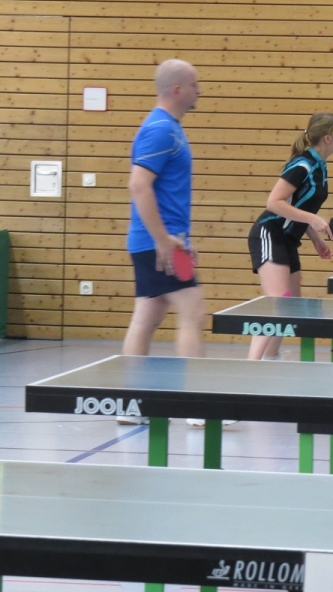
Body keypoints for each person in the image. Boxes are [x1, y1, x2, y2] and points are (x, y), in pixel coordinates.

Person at [118, 58, 206, 426]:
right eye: (195, 85)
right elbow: (139, 185)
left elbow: (166, 193)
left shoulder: (170, 128)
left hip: (158, 240)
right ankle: (196, 405)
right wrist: (163, 241)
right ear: (177, 89)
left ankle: (130, 404)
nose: (199, 91)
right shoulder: (160, 130)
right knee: (193, 311)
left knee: (147, 317)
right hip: (156, 243)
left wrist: (179, 239)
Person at [247, 112, 333, 361]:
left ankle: (271, 358)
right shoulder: (302, 165)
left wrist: (315, 238)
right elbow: (274, 203)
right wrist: (312, 219)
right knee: (277, 302)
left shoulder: (320, 166)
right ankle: (251, 366)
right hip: (269, 234)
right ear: (327, 138)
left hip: (288, 240)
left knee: (289, 305)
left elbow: (298, 206)